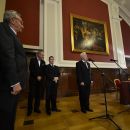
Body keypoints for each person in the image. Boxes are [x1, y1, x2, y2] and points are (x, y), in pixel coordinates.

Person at [0, 10, 27, 130]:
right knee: (5, 117)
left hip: (11, 85)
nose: (22, 25)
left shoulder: (12, 33)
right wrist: (15, 82)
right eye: (20, 22)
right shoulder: (3, 29)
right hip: (8, 85)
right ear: (12, 20)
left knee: (10, 116)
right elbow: (7, 56)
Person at [27, 51, 46, 116]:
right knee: (31, 95)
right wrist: (37, 76)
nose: (43, 56)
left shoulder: (43, 62)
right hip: (33, 81)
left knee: (38, 95)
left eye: (43, 55)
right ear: (37, 54)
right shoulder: (32, 60)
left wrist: (41, 76)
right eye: (42, 55)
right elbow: (31, 69)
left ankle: (36, 108)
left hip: (40, 82)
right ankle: (29, 110)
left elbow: (44, 71)